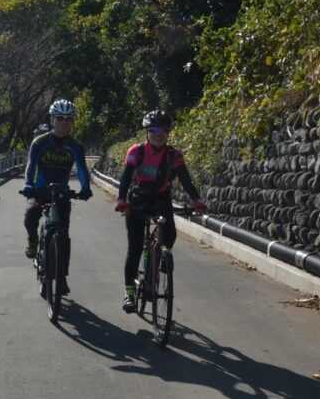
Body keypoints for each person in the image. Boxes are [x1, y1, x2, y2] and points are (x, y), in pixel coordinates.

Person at [114, 109, 207, 312]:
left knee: (170, 234)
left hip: (161, 199)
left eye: (163, 130)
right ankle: (129, 292)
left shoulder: (174, 156)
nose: (159, 134)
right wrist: (121, 199)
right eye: (154, 130)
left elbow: (185, 179)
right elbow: (126, 178)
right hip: (137, 200)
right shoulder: (136, 152)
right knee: (135, 248)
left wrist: (196, 200)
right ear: (147, 132)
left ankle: (158, 258)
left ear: (168, 133)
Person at [21, 99, 93, 295]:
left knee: (63, 236)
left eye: (69, 119)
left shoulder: (75, 146)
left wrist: (86, 189)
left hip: (62, 191)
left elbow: (82, 169)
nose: (64, 122)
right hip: (41, 188)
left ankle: (61, 278)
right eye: (60, 118)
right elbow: (31, 166)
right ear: (53, 119)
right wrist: (29, 185)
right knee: (31, 215)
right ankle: (33, 240)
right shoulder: (40, 142)